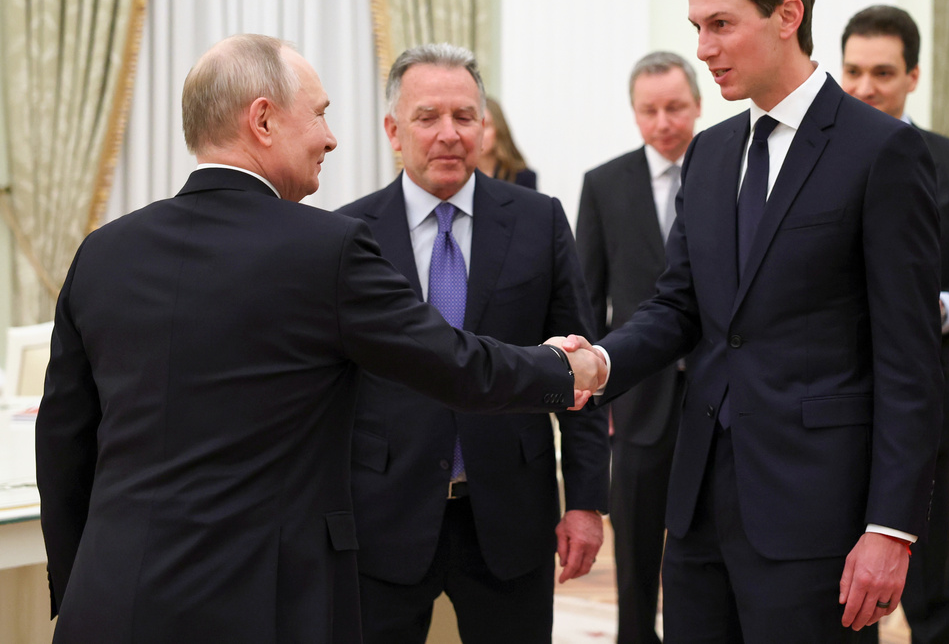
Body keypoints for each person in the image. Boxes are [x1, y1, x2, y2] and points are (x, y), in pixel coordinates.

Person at [35, 34, 605, 644]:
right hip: (265, 599)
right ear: (262, 120)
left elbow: (63, 442)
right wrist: (566, 369)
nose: (330, 137)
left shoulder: (101, 253)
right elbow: (453, 363)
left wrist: (80, 587)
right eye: (320, 113)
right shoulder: (324, 248)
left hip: (111, 597)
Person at [563, 0, 943, 643]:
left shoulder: (881, 150)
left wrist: (891, 528)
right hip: (701, 506)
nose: (703, 48)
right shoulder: (709, 153)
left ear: (788, 15)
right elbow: (679, 305)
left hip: (817, 514)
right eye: (696, 29)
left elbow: (910, 360)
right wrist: (599, 363)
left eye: (720, 25)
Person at [336, 43, 609, 644]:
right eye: (427, 117)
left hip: (511, 512)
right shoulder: (348, 236)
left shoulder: (540, 221)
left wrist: (587, 502)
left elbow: (582, 366)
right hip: (384, 514)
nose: (448, 133)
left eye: (464, 116)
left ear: (484, 128)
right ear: (394, 130)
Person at [841, 5, 949, 644]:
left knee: (929, 573)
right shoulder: (812, 161)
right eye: (853, 70)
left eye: (882, 72)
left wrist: (936, 309)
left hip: (927, 404)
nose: (865, 87)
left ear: (913, 75)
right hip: (831, 400)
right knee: (842, 580)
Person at [576, 50, 701, 644]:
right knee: (635, 553)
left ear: (697, 105)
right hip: (636, 404)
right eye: (649, 110)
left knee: (704, 556)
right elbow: (586, 301)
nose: (663, 122)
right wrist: (595, 402)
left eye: (675, 107)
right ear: (634, 114)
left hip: (712, 396)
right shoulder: (604, 185)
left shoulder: (726, 169)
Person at [479, 96, 537, 188]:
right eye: (474, 125)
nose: (479, 133)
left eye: (486, 126)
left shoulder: (522, 177)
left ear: (499, 129)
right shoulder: (460, 176)